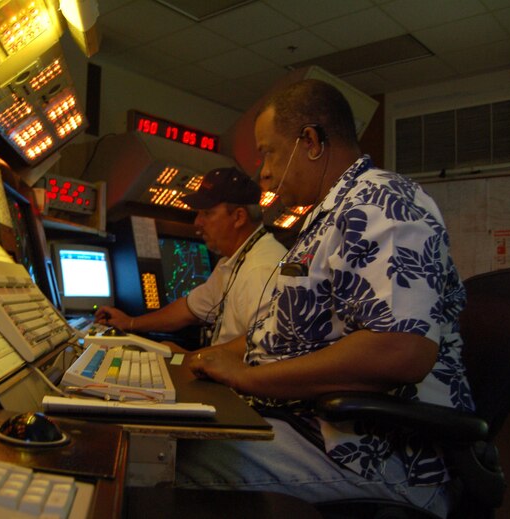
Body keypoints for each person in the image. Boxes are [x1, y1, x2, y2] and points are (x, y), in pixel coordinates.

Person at [174, 79, 472, 519]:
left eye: (269, 152)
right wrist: (208, 358)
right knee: (169, 429)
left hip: (372, 453)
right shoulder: (326, 217)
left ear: (310, 141)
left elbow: (401, 349)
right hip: (314, 428)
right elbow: (280, 330)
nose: (264, 172)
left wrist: (247, 378)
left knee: (165, 459)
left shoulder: (383, 202)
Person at [94, 167, 287, 347]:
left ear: (238, 217)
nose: (197, 222)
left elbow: (261, 346)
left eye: (206, 213)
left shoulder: (261, 269)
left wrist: (193, 358)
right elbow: (187, 310)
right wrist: (130, 322)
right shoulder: (231, 262)